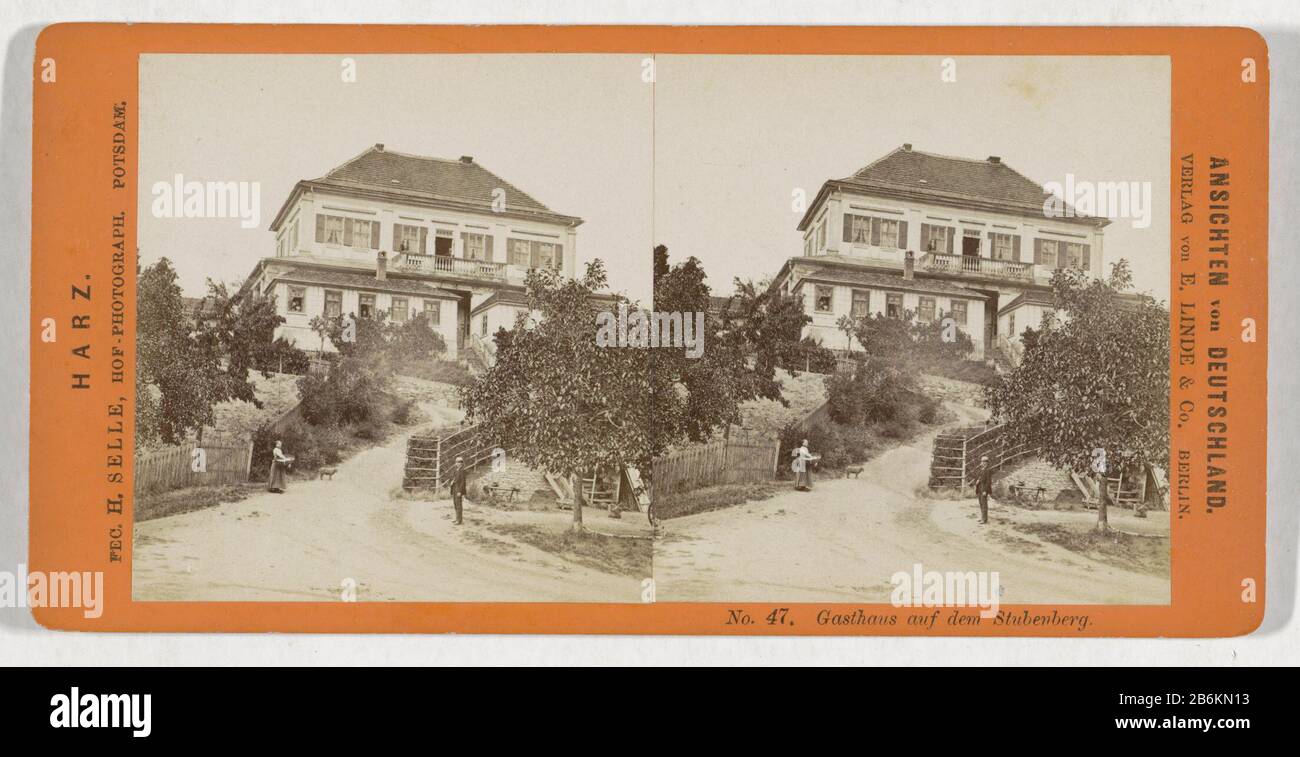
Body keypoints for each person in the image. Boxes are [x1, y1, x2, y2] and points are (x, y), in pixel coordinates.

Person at [974, 454, 993, 524]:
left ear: (986, 462)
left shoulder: (988, 470)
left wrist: (985, 491)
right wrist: (977, 481)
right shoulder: (981, 469)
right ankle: (982, 517)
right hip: (979, 488)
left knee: (984, 504)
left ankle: (984, 519)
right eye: (981, 461)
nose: (981, 463)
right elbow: (978, 478)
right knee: (981, 503)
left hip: (984, 488)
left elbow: (988, 482)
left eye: (982, 461)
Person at [449, 455, 467, 525]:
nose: (456, 463)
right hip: (454, 488)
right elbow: (453, 478)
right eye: (456, 462)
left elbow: (463, 482)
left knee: (459, 505)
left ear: (461, 463)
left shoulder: (462, 471)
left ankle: (459, 520)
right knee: (455, 504)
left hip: (458, 489)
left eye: (458, 462)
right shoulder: (456, 470)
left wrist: (460, 491)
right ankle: (457, 518)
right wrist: (452, 481)